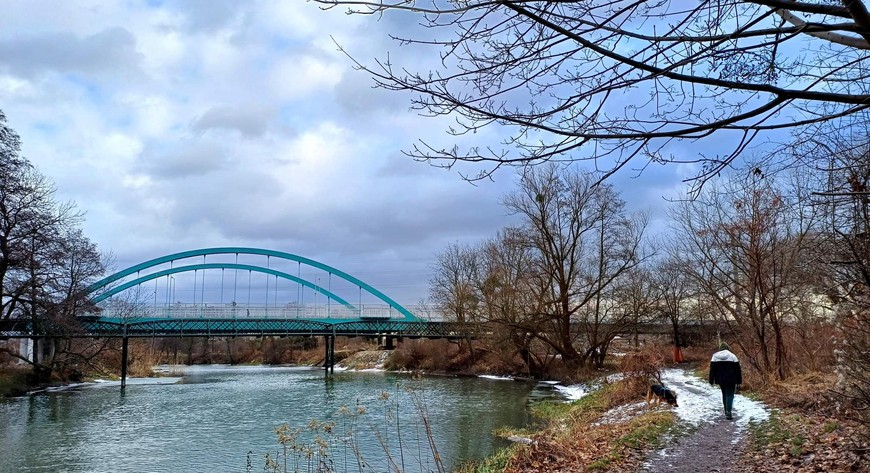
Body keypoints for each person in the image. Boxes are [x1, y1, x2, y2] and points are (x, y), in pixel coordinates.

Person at [709, 342, 742, 420]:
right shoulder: (732, 356)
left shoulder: (715, 356)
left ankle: (726, 411)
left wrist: (711, 380)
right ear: (728, 348)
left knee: (724, 394)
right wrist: (739, 381)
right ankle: (729, 412)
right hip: (731, 379)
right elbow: (738, 370)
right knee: (730, 395)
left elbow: (712, 370)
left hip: (720, 379)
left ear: (720, 348)